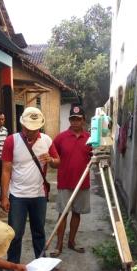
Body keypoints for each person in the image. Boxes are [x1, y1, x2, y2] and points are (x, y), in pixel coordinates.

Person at [1, 107, 61, 271]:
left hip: (39, 194)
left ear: (40, 127)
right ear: (22, 125)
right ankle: (12, 268)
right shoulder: (11, 141)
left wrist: (51, 160)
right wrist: (4, 196)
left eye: (34, 129)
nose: (31, 132)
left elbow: (58, 162)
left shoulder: (47, 140)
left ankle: (43, 264)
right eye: (27, 128)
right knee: (15, 233)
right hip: (17, 195)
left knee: (39, 231)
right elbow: (5, 170)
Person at [50, 104, 91, 257]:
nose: (75, 122)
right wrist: (51, 162)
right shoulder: (60, 138)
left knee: (77, 213)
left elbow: (95, 157)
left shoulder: (90, 139)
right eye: (72, 119)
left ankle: (72, 241)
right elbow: (53, 157)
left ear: (83, 120)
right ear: (69, 120)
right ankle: (59, 244)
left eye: (78, 119)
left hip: (82, 183)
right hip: (65, 182)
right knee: (62, 214)